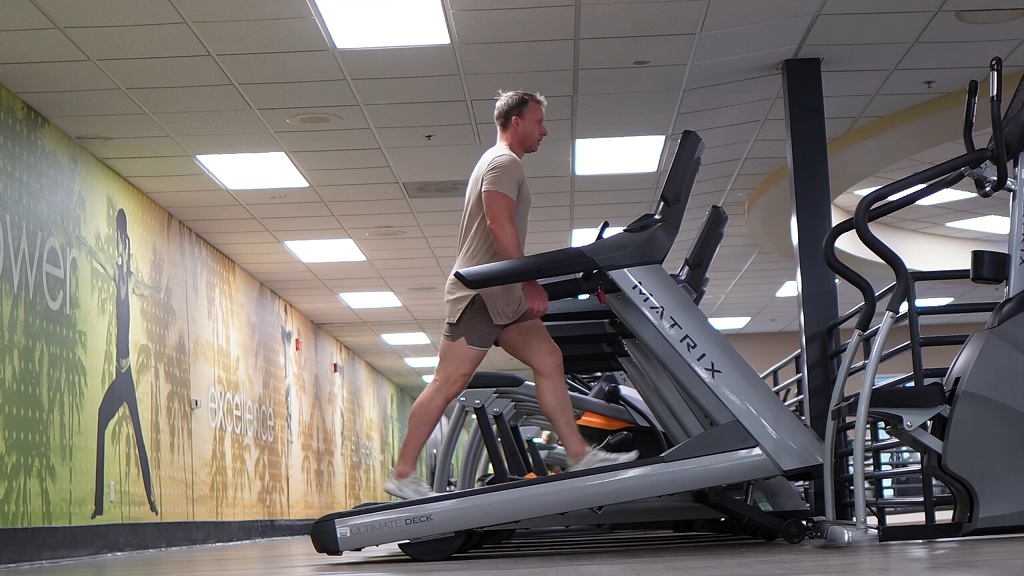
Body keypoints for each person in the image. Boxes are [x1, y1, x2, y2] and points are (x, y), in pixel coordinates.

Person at [385, 91, 638, 500]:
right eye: (538, 122)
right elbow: (498, 223)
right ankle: (402, 474)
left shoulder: (504, 163)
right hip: (484, 293)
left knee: (549, 358)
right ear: (516, 122)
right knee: (450, 381)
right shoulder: (504, 162)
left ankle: (579, 454)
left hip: (502, 293)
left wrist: (520, 283)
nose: (544, 130)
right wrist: (528, 280)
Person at [89, 208, 159, 518]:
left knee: (140, 438)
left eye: (123, 241)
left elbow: (144, 290)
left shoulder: (128, 280)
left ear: (127, 245)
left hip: (127, 373)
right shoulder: (117, 275)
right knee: (103, 418)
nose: (121, 248)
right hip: (119, 377)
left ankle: (152, 500)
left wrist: (154, 289)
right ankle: (99, 506)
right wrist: (87, 246)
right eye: (118, 241)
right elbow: (101, 261)